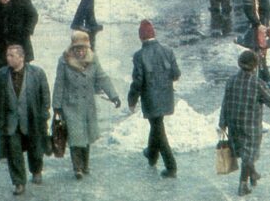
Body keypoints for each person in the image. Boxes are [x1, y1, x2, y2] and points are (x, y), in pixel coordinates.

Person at [219, 50, 270, 196]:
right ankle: (243, 185)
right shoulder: (258, 83)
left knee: (244, 152)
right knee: (249, 154)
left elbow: (225, 102)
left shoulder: (231, 80)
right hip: (250, 125)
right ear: (255, 66)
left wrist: (223, 122)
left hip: (234, 123)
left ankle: (252, 174)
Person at [52, 31, 120, 180]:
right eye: (77, 49)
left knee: (87, 136)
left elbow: (102, 78)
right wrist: (56, 106)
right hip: (71, 105)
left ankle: (85, 164)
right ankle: (77, 168)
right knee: (76, 138)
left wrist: (114, 96)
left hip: (88, 105)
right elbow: (59, 84)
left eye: (83, 48)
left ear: (87, 48)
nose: (80, 52)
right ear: (72, 48)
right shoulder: (64, 61)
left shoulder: (93, 59)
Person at [0, 45, 50, 195]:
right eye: (7, 55)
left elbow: (45, 96)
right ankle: (19, 182)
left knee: (35, 148)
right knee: (13, 153)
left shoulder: (37, 73)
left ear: (21, 57)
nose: (7, 58)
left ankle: (36, 170)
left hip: (31, 118)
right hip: (10, 122)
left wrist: (44, 114)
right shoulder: (1, 75)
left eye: (11, 56)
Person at [127, 20, 180, 178]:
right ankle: (151, 154)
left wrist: (132, 100)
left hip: (150, 99)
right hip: (166, 97)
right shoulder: (168, 51)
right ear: (154, 34)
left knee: (158, 130)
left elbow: (138, 81)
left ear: (141, 37)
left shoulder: (139, 56)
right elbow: (176, 74)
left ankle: (171, 166)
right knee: (156, 126)